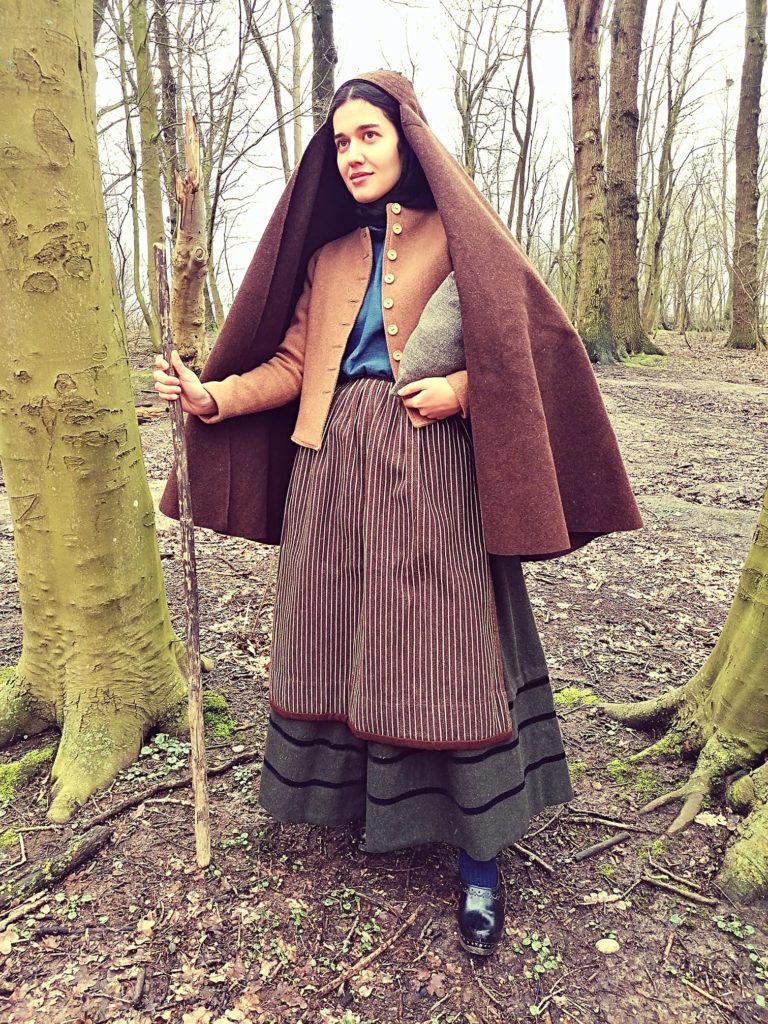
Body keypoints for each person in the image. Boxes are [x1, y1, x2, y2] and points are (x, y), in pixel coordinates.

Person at [156, 71, 642, 956]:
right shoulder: (329, 253)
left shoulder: (465, 240)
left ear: (405, 140)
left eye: (367, 136)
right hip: (331, 468)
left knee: (447, 644)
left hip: (430, 470)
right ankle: (354, 801)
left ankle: (481, 857)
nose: (352, 155)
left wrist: (461, 388)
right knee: (338, 631)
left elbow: (530, 349)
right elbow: (298, 365)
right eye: (339, 142)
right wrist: (214, 397)